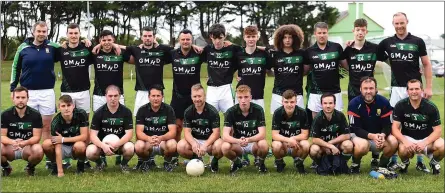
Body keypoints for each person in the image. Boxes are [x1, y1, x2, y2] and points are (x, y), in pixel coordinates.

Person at [377, 12, 434, 172]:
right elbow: (374, 53)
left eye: (402, 23)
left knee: (419, 123)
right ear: (393, 24)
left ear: (407, 22)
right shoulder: (387, 43)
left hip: (415, 88)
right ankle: (395, 159)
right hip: (396, 89)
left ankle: (420, 160)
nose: (399, 26)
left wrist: (428, 87)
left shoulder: (417, 41)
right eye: (396, 23)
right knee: (396, 124)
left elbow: (427, 64)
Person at [10, 22, 60, 168]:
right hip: (28, 92)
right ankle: (30, 157)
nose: (41, 34)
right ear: (33, 32)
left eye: (44, 31)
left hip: (47, 91)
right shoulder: (23, 48)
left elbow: (68, 47)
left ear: (47, 32)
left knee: (46, 126)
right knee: (28, 127)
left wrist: (84, 42)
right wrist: (13, 87)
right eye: (38, 31)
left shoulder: (52, 47)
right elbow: (15, 67)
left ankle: (49, 160)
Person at [391, 79, 443, 175]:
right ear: (407, 91)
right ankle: (405, 163)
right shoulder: (400, 105)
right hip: (408, 138)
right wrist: (405, 141)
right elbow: (395, 128)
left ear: (422, 90)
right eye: (411, 89)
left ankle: (434, 163)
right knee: (402, 150)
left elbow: (438, 131)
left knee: (442, 146)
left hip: (426, 139)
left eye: (417, 89)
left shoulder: (431, 107)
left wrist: (424, 143)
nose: (414, 92)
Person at [348, 77, 398, 173]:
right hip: (359, 136)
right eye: (365, 88)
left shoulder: (384, 102)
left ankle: (382, 166)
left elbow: (387, 125)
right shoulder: (353, 104)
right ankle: (355, 164)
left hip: (378, 136)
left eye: (371, 88)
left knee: (393, 142)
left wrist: (382, 135)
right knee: (363, 145)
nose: (368, 91)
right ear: (360, 89)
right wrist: (372, 136)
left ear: (376, 89)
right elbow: (355, 128)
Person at [303, 22, 348, 119]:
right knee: (317, 122)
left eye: (324, 33)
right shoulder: (309, 51)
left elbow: (346, 66)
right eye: (319, 33)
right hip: (316, 92)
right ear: (315, 34)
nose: (322, 35)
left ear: (328, 33)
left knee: (337, 119)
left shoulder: (336, 47)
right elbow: (304, 72)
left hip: (334, 91)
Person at [86, 85, 134, 173]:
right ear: (105, 96)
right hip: (102, 146)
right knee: (90, 151)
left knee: (130, 148)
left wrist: (117, 144)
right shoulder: (98, 113)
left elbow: (129, 134)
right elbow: (93, 135)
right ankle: (100, 164)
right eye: (110, 96)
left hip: (120, 145)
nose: (113, 98)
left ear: (120, 96)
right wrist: (103, 146)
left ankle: (124, 164)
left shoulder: (126, 112)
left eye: (116, 96)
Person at [221, 85, 269, 174]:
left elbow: (262, 134)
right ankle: (237, 162)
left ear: (250, 97)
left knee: (264, 144)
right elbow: (225, 136)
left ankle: (261, 163)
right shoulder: (230, 112)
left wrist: (249, 139)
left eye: (246, 97)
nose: (243, 100)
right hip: (238, 143)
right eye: (240, 97)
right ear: (237, 98)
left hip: (254, 143)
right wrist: (238, 141)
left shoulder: (258, 110)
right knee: (225, 147)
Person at [177, 84, 223, 172]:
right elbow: (187, 132)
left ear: (204, 97)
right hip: (196, 140)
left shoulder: (212, 111)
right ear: (191, 97)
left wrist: (205, 145)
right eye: (195, 96)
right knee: (180, 146)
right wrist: (193, 144)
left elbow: (216, 133)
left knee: (220, 146)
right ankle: (197, 159)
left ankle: (214, 161)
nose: (197, 99)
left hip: (210, 141)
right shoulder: (188, 111)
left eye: (199, 96)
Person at [1, 86, 44, 176]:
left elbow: (37, 137)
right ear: (13, 98)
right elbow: (2, 136)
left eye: (23, 97)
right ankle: (6, 167)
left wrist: (24, 143)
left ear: (28, 99)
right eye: (18, 97)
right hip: (11, 147)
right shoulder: (5, 114)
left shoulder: (35, 115)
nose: (20, 100)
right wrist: (12, 142)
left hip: (27, 147)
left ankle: (30, 167)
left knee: (38, 150)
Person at [42, 95, 89, 177]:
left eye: (69, 105)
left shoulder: (81, 114)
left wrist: (63, 139)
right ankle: (55, 166)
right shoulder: (55, 122)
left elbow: (84, 136)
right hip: (62, 147)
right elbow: (57, 145)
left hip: (76, 145)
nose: (66, 108)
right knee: (46, 144)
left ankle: (80, 165)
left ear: (73, 106)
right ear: (59, 107)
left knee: (80, 145)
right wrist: (60, 172)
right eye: (63, 106)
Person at [134, 85, 177, 172]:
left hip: (163, 142)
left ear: (162, 97)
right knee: (138, 146)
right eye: (153, 96)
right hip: (148, 142)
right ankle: (146, 162)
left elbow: (173, 132)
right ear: (149, 97)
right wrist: (148, 138)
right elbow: (139, 132)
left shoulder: (169, 109)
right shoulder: (142, 110)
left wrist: (161, 138)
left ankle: (167, 163)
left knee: (173, 144)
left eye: (158, 96)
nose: (155, 98)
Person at [202, 24, 242, 113]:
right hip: (211, 90)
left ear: (225, 36)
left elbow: (247, 55)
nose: (217, 41)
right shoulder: (208, 49)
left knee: (231, 119)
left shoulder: (232, 49)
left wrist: (240, 74)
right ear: (210, 37)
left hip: (226, 89)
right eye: (214, 38)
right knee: (210, 120)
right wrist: (194, 46)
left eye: (220, 38)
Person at [234, 25, 273, 110]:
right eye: (248, 37)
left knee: (259, 122)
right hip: (241, 96)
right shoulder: (239, 54)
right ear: (244, 37)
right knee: (240, 122)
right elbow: (229, 69)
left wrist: (265, 48)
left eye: (253, 36)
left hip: (258, 96)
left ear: (257, 37)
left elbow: (270, 71)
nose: (251, 39)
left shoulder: (264, 54)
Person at [269, 24, 306, 113]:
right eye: (285, 37)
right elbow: (267, 70)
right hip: (278, 94)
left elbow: (307, 69)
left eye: (290, 37)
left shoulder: (302, 53)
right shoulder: (275, 54)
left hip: (297, 94)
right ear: (280, 39)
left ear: (295, 39)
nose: (287, 40)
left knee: (298, 123)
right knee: (278, 123)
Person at [309, 93, 353, 168]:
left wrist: (331, 143)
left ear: (335, 104)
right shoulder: (318, 118)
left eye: (330, 103)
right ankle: (319, 165)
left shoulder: (340, 115)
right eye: (325, 103)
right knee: (314, 149)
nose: (328, 106)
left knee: (348, 145)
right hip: (322, 146)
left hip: (337, 145)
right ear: (321, 104)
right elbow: (314, 139)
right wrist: (328, 146)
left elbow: (347, 135)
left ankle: (342, 163)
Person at [271, 89, 310, 173]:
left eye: (292, 102)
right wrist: (288, 140)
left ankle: (299, 163)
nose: (289, 105)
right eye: (286, 102)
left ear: (296, 102)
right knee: (275, 145)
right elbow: (274, 135)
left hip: (297, 145)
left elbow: (305, 134)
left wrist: (293, 139)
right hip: (283, 144)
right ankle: (280, 162)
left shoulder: (302, 112)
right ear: (282, 102)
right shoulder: (277, 113)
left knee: (306, 144)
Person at [91, 30, 130, 112]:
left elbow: (136, 53)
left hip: (117, 95)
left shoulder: (119, 52)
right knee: (99, 122)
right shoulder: (95, 53)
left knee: (119, 121)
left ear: (113, 40)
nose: (106, 42)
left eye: (109, 40)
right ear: (100, 41)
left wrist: (117, 46)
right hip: (99, 95)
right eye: (104, 40)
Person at [342, 19, 378, 102]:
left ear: (366, 32)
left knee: (371, 114)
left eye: (363, 30)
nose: (360, 32)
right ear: (353, 31)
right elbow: (343, 64)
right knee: (354, 114)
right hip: (353, 90)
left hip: (370, 89)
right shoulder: (348, 50)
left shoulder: (374, 48)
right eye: (357, 30)